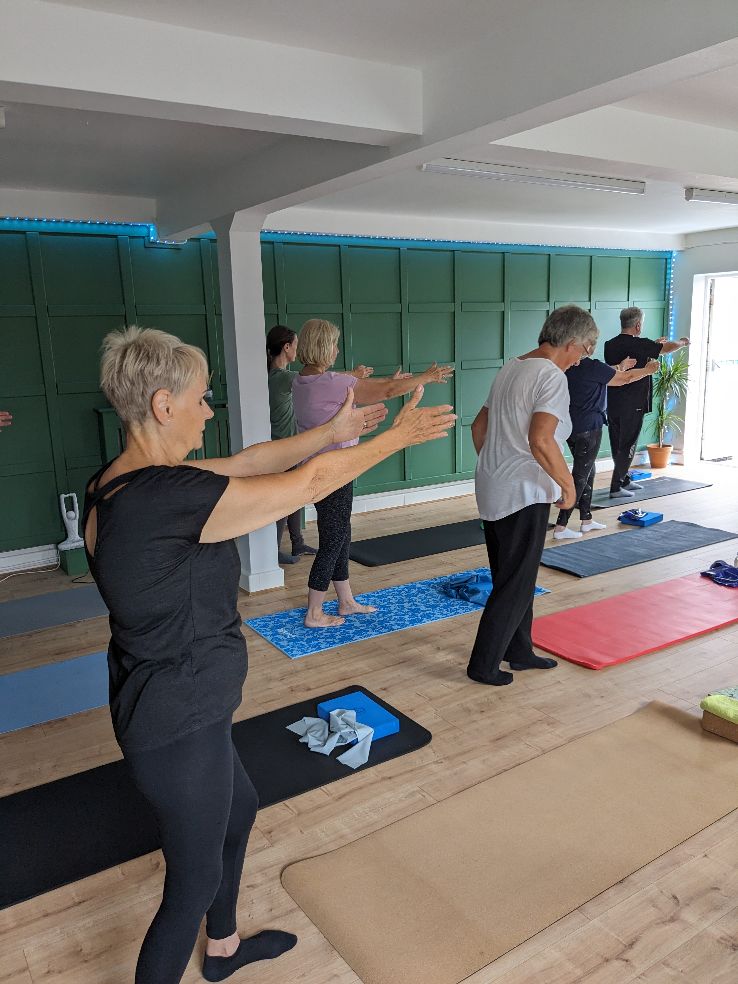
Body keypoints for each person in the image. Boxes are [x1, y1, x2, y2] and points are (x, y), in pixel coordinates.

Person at [82, 325, 455, 984]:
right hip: (177, 714)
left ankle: (222, 951)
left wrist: (331, 428)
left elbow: (255, 462)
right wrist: (394, 437)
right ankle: (201, 944)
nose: (207, 411)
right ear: (164, 405)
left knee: (243, 807)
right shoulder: (166, 501)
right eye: (201, 399)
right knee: (187, 890)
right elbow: (306, 484)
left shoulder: (123, 483)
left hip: (178, 699)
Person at [292, 318, 454, 628]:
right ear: (324, 347)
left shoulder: (301, 381)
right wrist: (426, 377)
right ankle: (314, 611)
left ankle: (346, 600)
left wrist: (372, 383)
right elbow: (388, 389)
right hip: (335, 471)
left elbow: (362, 386)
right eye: (335, 345)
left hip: (321, 469)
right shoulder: (333, 383)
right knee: (333, 538)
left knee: (341, 533)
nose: (337, 350)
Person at [467, 305, 596, 686]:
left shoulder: (513, 366)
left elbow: (479, 427)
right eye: (585, 350)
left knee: (512, 576)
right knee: (516, 582)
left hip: (495, 486)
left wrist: (496, 463)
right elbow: (540, 439)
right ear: (571, 343)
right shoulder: (551, 376)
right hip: (523, 492)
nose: (581, 360)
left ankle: (518, 650)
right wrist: (569, 486)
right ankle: (483, 665)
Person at [266, 324, 375, 566]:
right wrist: (353, 375)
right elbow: (320, 380)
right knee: (287, 503)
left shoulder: (283, 377)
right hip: (289, 447)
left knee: (294, 501)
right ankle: (272, 552)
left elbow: (324, 379)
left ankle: (297, 541)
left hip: (294, 446)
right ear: (286, 348)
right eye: (295, 345)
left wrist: (352, 375)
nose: (298, 350)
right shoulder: (285, 378)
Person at [552, 353, 660, 539]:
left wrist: (620, 365)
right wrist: (648, 370)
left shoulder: (569, 365)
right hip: (589, 429)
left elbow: (610, 374)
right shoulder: (593, 366)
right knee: (581, 475)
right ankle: (561, 527)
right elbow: (625, 379)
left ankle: (586, 520)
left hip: (570, 427)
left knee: (588, 470)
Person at [604, 307, 689, 498]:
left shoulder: (610, 344)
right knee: (627, 443)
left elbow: (634, 358)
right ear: (638, 325)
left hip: (613, 402)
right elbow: (668, 348)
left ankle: (624, 479)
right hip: (632, 402)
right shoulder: (640, 344)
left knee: (617, 442)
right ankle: (616, 487)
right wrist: (683, 342)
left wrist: (652, 347)